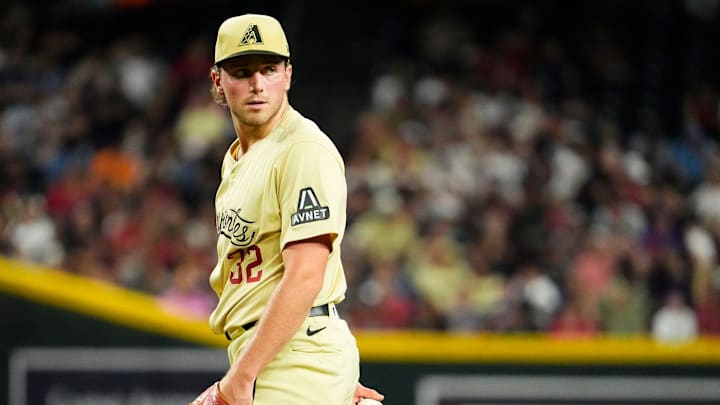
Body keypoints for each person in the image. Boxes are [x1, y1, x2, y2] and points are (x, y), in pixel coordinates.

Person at [191, 14, 384, 405]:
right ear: (218, 81)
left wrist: (243, 379)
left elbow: (305, 276)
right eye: (242, 72)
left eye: (269, 69)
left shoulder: (302, 150)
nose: (258, 84)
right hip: (280, 355)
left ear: (288, 75)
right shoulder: (237, 158)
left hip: (293, 355)